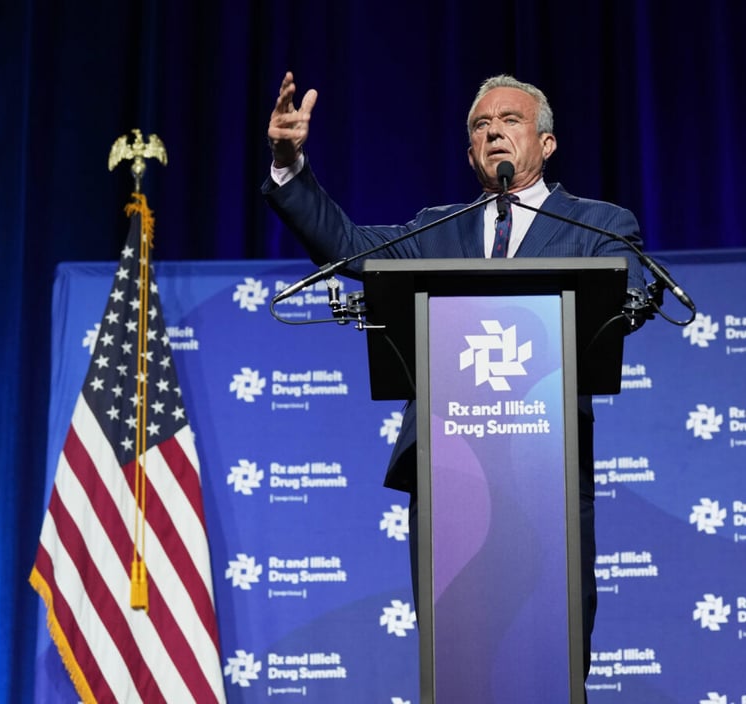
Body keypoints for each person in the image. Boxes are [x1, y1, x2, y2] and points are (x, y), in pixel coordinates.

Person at [262, 71, 646, 687]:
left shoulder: (599, 225)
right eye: (480, 127)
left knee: (554, 661)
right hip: (450, 475)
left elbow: (628, 295)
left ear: (546, 144)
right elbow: (348, 246)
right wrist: (289, 164)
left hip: (546, 468)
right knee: (458, 665)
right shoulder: (437, 230)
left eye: (510, 121)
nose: (493, 132)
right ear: (470, 153)